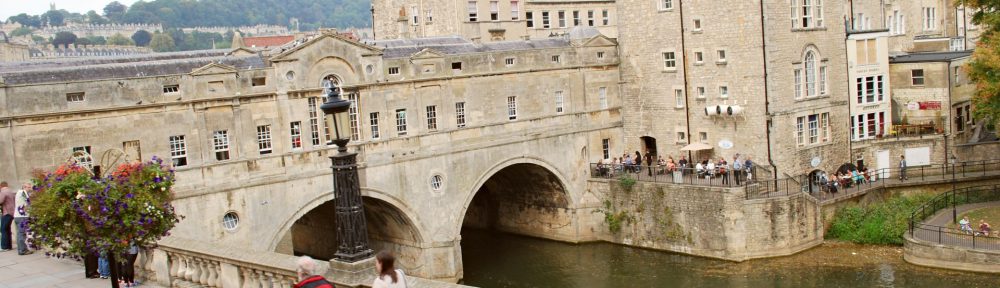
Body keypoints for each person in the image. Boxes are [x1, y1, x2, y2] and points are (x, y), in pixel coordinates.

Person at [14, 182, 31, 255]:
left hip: (17, 216)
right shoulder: (23, 192)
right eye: (28, 187)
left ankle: (21, 249)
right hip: (22, 216)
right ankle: (23, 250)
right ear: (24, 187)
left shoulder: (18, 192)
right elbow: (28, 203)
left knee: (19, 234)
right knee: (22, 234)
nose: (30, 188)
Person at [0, 182, 13, 252]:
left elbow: (0, 201)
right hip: (12, 212)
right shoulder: (10, 191)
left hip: (6, 212)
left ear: (1, 186)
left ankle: (5, 247)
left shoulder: (3, 191)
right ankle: (9, 246)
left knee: (3, 229)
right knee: (7, 229)